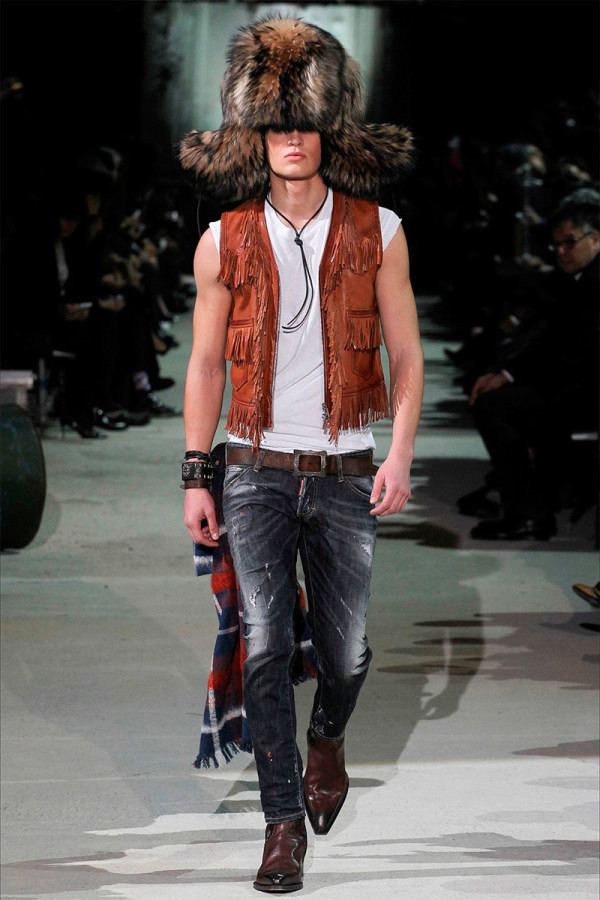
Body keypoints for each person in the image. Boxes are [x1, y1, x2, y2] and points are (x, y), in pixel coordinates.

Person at [180, 17, 422, 893]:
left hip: (348, 468)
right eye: (276, 124)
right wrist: (196, 472)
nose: (291, 138)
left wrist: (399, 454)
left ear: (329, 129)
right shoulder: (222, 238)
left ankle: (328, 738)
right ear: (254, 133)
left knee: (347, 654)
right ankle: (281, 825)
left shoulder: (380, 229)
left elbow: (407, 355)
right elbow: (207, 363)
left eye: (304, 123)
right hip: (254, 468)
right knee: (266, 646)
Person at [468, 196, 599, 540]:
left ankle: (529, 512)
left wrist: (514, 379)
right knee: (498, 396)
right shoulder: (581, 279)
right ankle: (525, 499)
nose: (561, 252)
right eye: (556, 245)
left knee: (494, 407)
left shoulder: (592, 285)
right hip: (574, 386)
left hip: (583, 395)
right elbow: (553, 343)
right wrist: (507, 374)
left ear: (595, 239)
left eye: (569, 242)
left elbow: (571, 357)